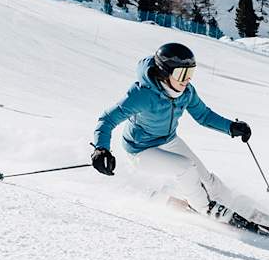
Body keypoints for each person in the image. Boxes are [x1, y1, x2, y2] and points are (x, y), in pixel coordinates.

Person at [92, 43, 254, 225]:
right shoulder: (142, 95)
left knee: (205, 177)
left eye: (190, 73)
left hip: (168, 139)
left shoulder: (187, 92)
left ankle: (229, 202)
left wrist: (231, 127)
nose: (186, 80)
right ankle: (205, 208)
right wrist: (101, 149)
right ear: (164, 73)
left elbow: (203, 115)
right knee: (185, 168)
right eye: (181, 74)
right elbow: (107, 119)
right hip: (140, 149)